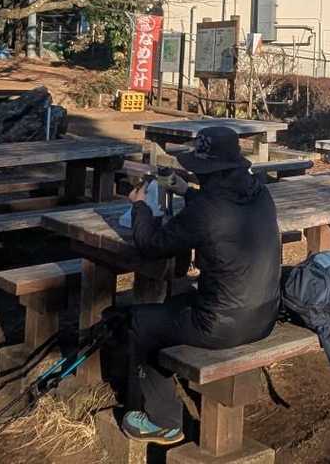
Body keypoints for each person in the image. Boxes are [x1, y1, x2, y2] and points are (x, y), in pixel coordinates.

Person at [118, 126, 282, 444]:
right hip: (265, 315)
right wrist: (186, 191)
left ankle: (162, 421)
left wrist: (139, 206)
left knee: (140, 321)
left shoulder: (206, 210)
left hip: (221, 326)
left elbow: (151, 244)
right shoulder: (260, 193)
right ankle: (162, 384)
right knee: (172, 306)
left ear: (208, 169)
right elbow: (219, 208)